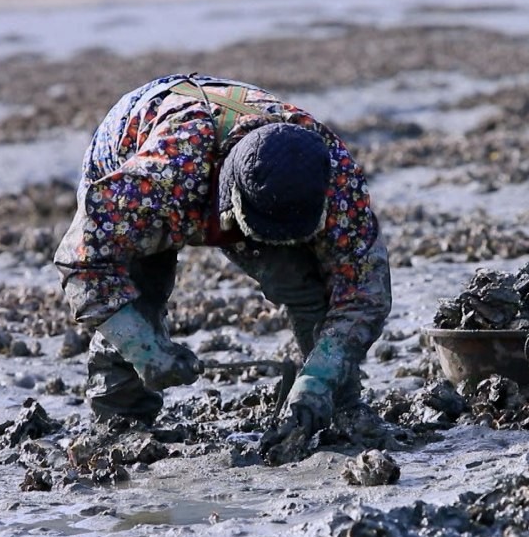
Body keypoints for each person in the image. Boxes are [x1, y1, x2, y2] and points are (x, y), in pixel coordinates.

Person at [54, 73, 392, 445]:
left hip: (266, 187)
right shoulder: (159, 178)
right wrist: (140, 346)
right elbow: (83, 260)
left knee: (305, 279)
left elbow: (363, 289)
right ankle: (122, 422)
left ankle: (336, 403)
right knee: (141, 286)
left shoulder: (336, 176)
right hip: (141, 150)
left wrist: (322, 376)